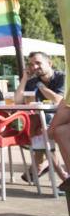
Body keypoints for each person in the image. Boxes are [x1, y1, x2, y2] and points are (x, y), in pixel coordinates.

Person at [15, 51, 67, 183]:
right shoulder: (32, 81)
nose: (34, 67)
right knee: (36, 126)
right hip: (43, 121)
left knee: (40, 129)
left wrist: (40, 86)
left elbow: (59, 100)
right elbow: (17, 100)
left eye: (38, 63)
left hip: (63, 119)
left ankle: (40, 165)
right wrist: (25, 79)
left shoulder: (62, 77)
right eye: (31, 64)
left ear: (49, 63)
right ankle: (47, 167)